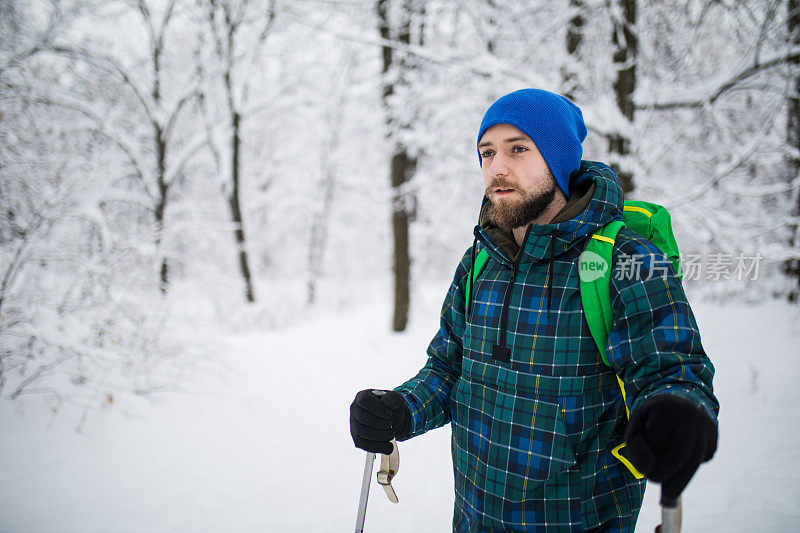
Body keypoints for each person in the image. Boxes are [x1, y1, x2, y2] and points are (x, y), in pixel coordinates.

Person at [349, 88, 719, 532]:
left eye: (518, 149)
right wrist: (400, 408)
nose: (497, 168)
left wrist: (678, 411)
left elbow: (673, 371)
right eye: (486, 153)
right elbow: (449, 370)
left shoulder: (623, 260)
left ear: (559, 160)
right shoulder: (480, 261)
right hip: (473, 520)